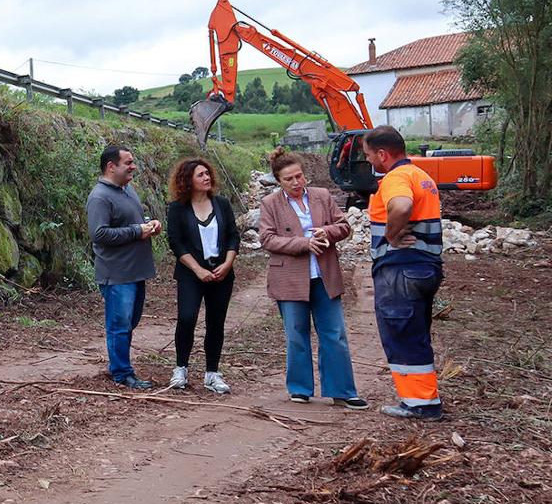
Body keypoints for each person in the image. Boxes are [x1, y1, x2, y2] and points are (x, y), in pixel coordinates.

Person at [258, 148, 368, 409]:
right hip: (290, 278)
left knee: (334, 333)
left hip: (324, 275)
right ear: (278, 181)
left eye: (299, 176)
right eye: (289, 179)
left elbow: (344, 226)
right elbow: (267, 238)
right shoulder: (270, 204)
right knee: (296, 334)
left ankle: (342, 390)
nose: (296, 182)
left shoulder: (322, 196)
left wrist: (326, 232)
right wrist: (303, 243)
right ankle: (300, 388)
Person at [362, 126, 445, 420]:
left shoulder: (396, 178)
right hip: (425, 268)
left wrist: (391, 234)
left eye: (369, 154)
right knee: (415, 334)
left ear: (383, 154)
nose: (369, 160)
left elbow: (401, 205)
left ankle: (420, 404)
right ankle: (424, 399)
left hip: (401, 270)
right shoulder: (421, 176)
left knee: (401, 334)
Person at [87, 145, 162, 389]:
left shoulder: (128, 190)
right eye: (128, 162)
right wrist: (136, 231)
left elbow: (133, 223)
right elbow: (99, 234)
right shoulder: (100, 197)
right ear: (111, 166)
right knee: (119, 326)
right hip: (117, 274)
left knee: (130, 322)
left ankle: (118, 366)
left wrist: (149, 225)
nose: (133, 166)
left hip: (135, 271)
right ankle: (121, 373)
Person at [165, 158, 239, 393]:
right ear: (187, 180)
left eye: (207, 173)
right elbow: (176, 243)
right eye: (200, 175)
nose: (206, 178)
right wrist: (197, 270)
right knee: (187, 318)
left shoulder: (222, 204)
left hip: (221, 272)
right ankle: (181, 369)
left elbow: (233, 236)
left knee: (216, 323)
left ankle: (212, 373)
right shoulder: (177, 208)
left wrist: (227, 264)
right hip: (190, 273)